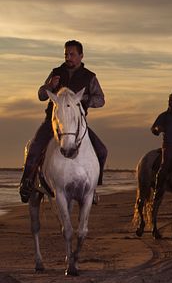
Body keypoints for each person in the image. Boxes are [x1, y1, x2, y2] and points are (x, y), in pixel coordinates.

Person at [18, 40, 108, 203]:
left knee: (102, 150)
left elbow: (101, 99)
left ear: (81, 56)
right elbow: (41, 95)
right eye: (66, 54)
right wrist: (49, 85)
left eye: (72, 54)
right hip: (52, 122)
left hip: (77, 124)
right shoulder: (56, 72)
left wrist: (84, 101)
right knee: (35, 146)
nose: (68, 57)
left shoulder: (90, 77)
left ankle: (93, 187)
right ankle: (26, 183)